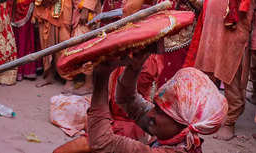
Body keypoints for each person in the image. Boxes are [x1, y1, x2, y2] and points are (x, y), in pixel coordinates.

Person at [185, 0, 255, 141]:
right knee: (207, 75)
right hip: (210, 34)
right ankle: (210, 114)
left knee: (231, 78)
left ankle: (230, 121)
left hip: (234, 37)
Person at [86, 47, 227, 152]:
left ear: (182, 125)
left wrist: (101, 77)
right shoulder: (179, 131)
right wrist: (136, 66)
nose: (151, 114)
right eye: (156, 107)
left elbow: (101, 142)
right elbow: (126, 99)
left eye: (159, 111)